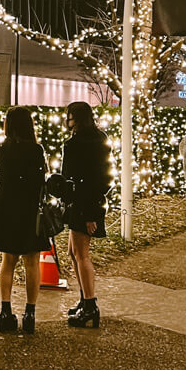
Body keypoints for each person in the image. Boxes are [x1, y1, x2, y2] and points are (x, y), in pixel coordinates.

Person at [0, 107, 51, 335]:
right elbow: (40, 181)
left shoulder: (1, 149)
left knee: (8, 261)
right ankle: (30, 313)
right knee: (32, 261)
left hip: (6, 207)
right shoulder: (36, 150)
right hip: (29, 207)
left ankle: (5, 312)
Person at [62, 101, 111, 329]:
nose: (67, 120)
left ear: (76, 118)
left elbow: (69, 177)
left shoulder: (74, 144)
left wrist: (88, 211)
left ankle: (90, 304)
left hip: (81, 202)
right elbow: (104, 176)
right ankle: (85, 300)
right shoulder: (100, 138)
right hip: (91, 201)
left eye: (70, 116)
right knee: (74, 252)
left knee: (81, 254)